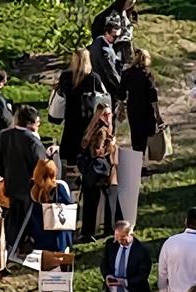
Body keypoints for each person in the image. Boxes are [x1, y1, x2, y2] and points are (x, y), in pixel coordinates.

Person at [0, 105, 47, 247]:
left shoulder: (5, 135)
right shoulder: (32, 141)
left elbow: (2, 161)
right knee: (27, 218)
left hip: (11, 183)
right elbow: (40, 167)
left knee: (14, 215)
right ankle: (24, 242)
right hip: (28, 187)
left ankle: (12, 242)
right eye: (37, 123)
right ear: (30, 123)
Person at [58, 49, 107, 166]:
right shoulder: (93, 78)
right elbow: (104, 97)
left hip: (70, 114)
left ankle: (70, 166)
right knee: (85, 144)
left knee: (70, 143)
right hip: (87, 117)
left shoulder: (66, 76)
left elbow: (61, 91)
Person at [79, 102, 120, 243]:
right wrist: (111, 145)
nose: (110, 116)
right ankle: (109, 229)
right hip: (102, 171)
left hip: (92, 173)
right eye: (107, 114)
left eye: (110, 114)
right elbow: (96, 151)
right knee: (110, 200)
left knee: (91, 203)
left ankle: (88, 231)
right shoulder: (101, 130)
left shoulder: (92, 127)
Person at [118, 48, 164, 156]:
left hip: (133, 108)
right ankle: (145, 160)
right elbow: (153, 97)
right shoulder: (147, 75)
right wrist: (157, 115)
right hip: (146, 109)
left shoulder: (126, 73)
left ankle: (137, 163)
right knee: (147, 135)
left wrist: (121, 106)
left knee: (136, 135)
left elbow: (121, 93)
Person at [29, 159, 74, 252]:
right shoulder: (59, 188)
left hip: (40, 238)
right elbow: (67, 209)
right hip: (58, 238)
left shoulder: (33, 189)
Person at [91, 0, 137, 66]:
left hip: (126, 53)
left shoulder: (128, 14)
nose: (132, 2)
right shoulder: (111, 15)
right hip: (114, 53)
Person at [89, 22, 122, 107]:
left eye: (118, 36)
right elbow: (111, 72)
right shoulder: (105, 51)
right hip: (107, 88)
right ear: (106, 33)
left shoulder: (97, 42)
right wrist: (121, 88)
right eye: (114, 36)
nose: (116, 39)